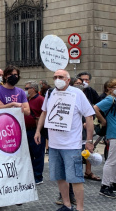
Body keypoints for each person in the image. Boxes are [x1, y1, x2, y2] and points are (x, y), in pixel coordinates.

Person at [35, 69, 95, 211]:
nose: (57, 79)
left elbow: (89, 116)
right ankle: (66, 205)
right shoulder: (50, 93)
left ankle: (80, 208)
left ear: (68, 80)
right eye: (55, 77)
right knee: (59, 177)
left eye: (60, 76)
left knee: (75, 178)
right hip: (54, 145)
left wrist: (89, 140)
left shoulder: (77, 93)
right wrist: (38, 130)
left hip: (72, 145)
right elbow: (44, 112)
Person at [75, 73, 102, 182]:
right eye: (81, 81)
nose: (84, 82)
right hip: (76, 127)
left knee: (88, 148)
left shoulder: (90, 91)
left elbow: (96, 106)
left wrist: (91, 121)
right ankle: (77, 172)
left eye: (86, 80)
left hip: (86, 125)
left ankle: (88, 171)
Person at [94, 78, 116, 198]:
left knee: (114, 161)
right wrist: (103, 121)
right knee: (111, 161)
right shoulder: (109, 99)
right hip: (114, 133)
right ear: (110, 88)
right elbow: (95, 108)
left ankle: (112, 183)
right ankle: (105, 186)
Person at [24, 81, 45, 185]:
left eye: (27, 88)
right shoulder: (26, 100)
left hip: (36, 130)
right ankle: (31, 175)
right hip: (26, 130)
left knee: (37, 154)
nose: (25, 90)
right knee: (29, 154)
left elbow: (45, 114)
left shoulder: (41, 99)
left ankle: (38, 176)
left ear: (34, 89)